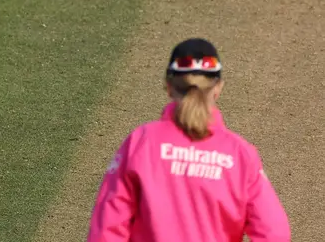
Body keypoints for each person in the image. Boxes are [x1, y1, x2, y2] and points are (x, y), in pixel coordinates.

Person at [88, 39, 291, 241]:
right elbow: (274, 233)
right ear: (218, 88)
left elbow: (108, 229)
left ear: (169, 86)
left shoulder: (141, 143)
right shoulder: (240, 155)